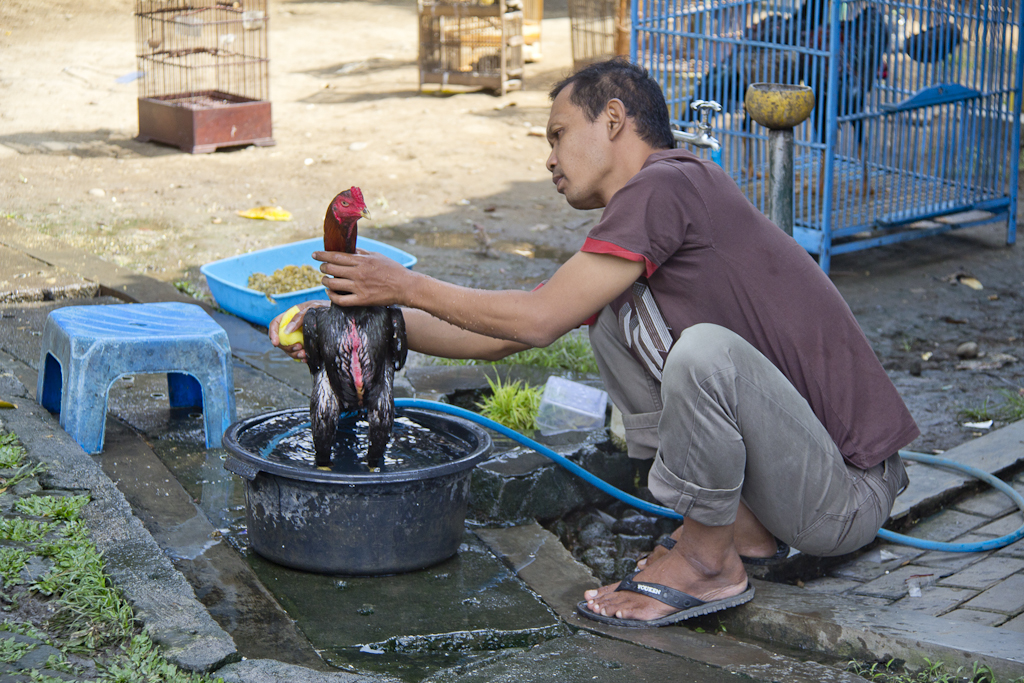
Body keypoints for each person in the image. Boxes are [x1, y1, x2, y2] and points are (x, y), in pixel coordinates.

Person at [269, 58, 917, 628]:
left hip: (842, 495)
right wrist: (359, 334)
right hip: (805, 487)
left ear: (612, 119)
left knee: (703, 353)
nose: (549, 158)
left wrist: (404, 282)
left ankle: (705, 558)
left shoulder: (665, 184)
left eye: (558, 135)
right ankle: (734, 536)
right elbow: (498, 338)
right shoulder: (656, 201)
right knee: (610, 319)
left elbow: (537, 320)